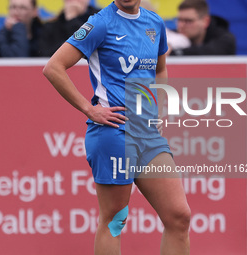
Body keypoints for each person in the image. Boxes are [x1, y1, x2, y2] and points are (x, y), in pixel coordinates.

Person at [43, 0, 191, 254]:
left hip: (147, 133)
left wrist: (157, 110)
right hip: (114, 132)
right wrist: (90, 109)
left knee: (179, 216)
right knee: (115, 220)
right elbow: (53, 68)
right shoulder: (100, 23)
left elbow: (161, 69)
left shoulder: (154, 22)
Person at [170, 0, 236, 55]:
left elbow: (210, 52)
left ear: (205, 21)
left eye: (188, 21)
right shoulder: (171, 35)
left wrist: (174, 52)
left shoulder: (225, 39)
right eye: (179, 20)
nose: (181, 25)